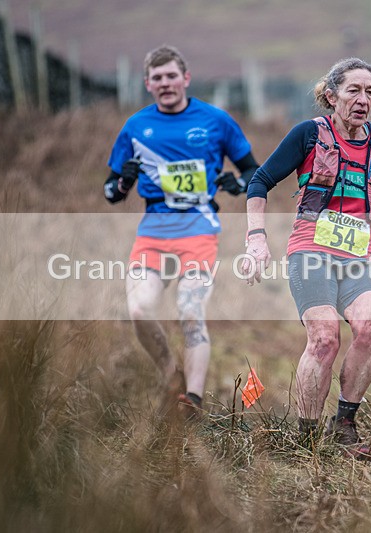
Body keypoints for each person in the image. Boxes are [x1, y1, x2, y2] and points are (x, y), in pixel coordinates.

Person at [242, 58, 371, 457]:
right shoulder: (307, 134)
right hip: (311, 251)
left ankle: (345, 425)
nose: (363, 99)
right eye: (354, 90)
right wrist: (256, 239)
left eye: (370, 92)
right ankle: (306, 437)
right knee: (324, 340)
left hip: (360, 256)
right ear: (331, 96)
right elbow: (259, 181)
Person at [104, 45, 259, 414]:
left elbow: (253, 171)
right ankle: (171, 374)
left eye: (172, 75)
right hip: (153, 229)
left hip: (198, 228)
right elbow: (111, 191)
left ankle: (192, 400)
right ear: (148, 84)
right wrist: (124, 184)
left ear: (185, 79)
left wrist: (239, 184)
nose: (165, 83)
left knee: (191, 312)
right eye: (157, 78)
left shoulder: (216, 120)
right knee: (139, 310)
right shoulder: (136, 127)